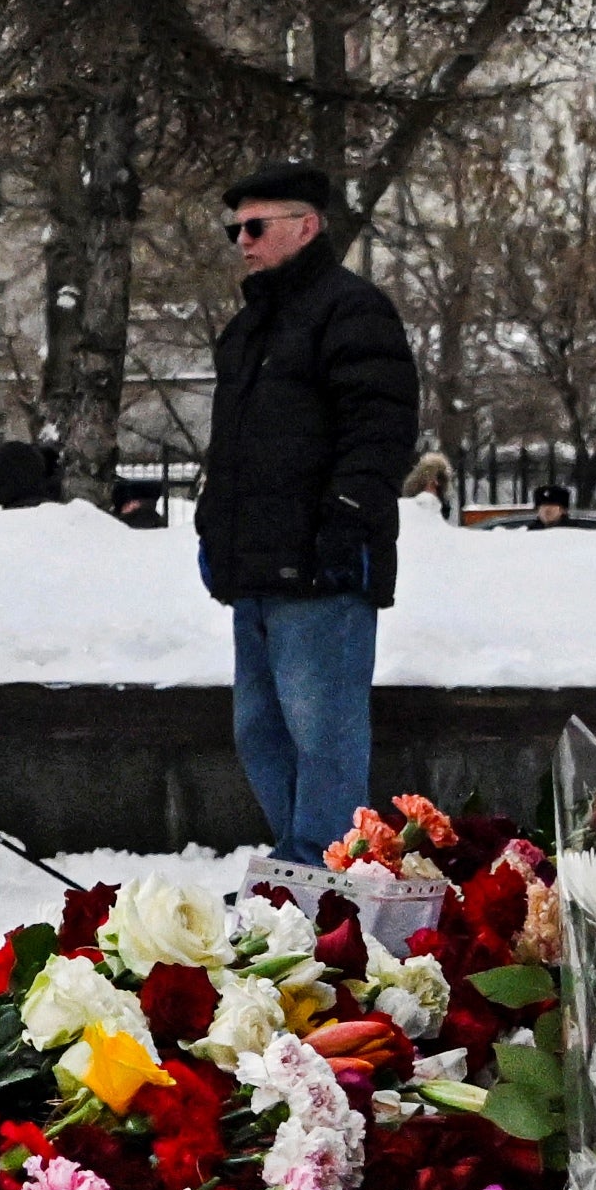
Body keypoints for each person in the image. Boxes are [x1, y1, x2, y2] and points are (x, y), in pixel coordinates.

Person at [196, 162, 419, 863]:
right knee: (259, 732)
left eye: (256, 226)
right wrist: (214, 530)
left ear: (306, 225)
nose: (243, 241)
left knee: (324, 737)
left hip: (322, 569)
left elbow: (380, 426)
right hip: (257, 568)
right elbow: (233, 450)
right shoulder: (248, 330)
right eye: (236, 228)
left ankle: (323, 876)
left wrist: (345, 518)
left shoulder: (352, 310)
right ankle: (306, 864)